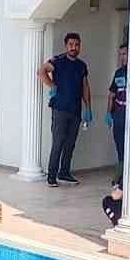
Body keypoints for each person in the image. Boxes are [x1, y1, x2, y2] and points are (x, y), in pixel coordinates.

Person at [40, 31, 91, 186]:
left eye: (77, 45)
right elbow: (41, 71)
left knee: (70, 144)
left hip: (75, 110)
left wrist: (88, 108)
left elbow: (85, 87)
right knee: (58, 143)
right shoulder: (58, 61)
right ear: (66, 46)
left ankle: (64, 173)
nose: (74, 47)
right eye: (71, 44)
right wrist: (52, 86)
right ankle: (51, 177)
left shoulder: (82, 65)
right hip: (60, 109)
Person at [106, 40, 128, 172]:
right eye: (120, 54)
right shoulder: (119, 72)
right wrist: (108, 113)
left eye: (124, 54)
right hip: (118, 113)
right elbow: (111, 94)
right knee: (119, 144)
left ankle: (129, 173)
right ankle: (121, 173)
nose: (122, 57)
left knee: (129, 146)